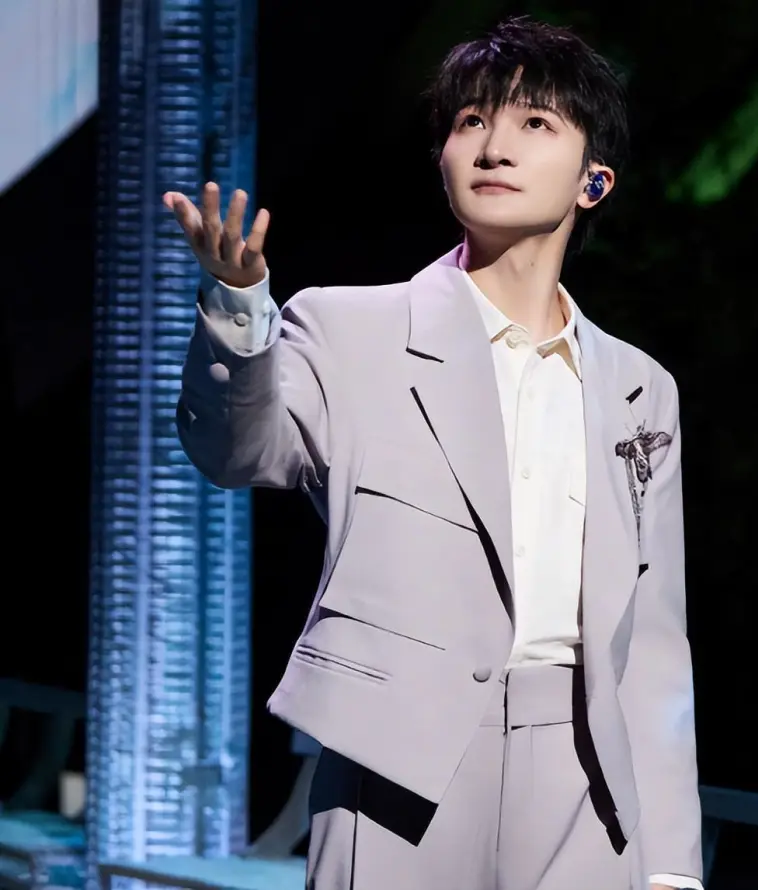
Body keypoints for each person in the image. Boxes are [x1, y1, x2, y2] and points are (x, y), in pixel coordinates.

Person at [167, 17, 702, 890]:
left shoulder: (640, 386)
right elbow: (239, 452)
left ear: (593, 181)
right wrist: (238, 303)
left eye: (535, 122)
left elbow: (651, 638)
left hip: (585, 780)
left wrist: (674, 863)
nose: (494, 145)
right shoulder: (348, 327)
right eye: (470, 121)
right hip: (398, 759)